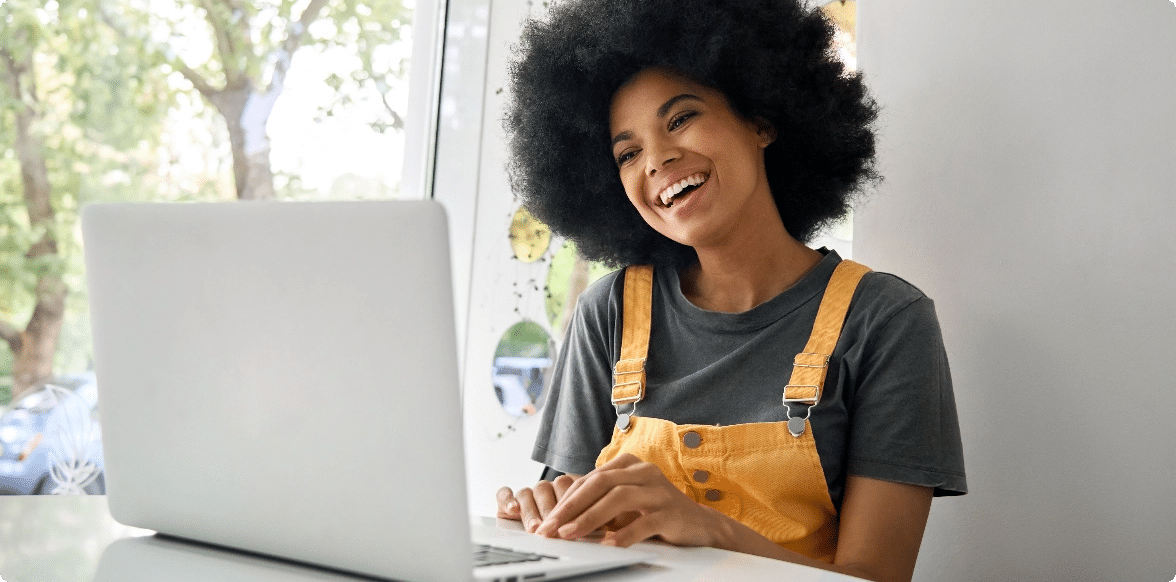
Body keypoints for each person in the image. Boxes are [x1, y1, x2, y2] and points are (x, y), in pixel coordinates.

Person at [495, 0, 967, 580]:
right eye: (628, 152)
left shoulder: (886, 321)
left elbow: (877, 575)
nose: (658, 160)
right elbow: (568, 533)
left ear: (761, 118)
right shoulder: (610, 313)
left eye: (680, 118)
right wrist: (545, 514)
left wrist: (710, 529)